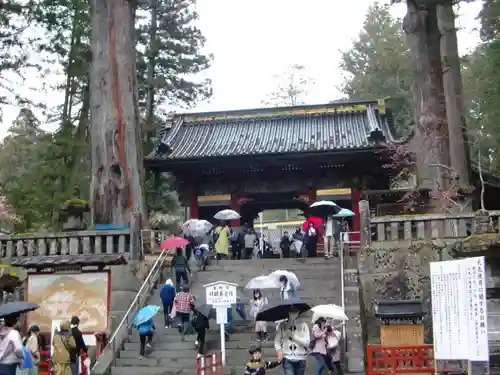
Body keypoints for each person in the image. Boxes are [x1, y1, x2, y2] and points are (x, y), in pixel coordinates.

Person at [274, 308, 310, 375]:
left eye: (295, 311)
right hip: (287, 358)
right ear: (288, 312)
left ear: (298, 312)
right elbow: (277, 341)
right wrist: (279, 350)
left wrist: (294, 337)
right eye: (291, 311)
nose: (293, 313)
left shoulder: (304, 325)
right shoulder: (282, 325)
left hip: (301, 358)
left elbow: (307, 343)